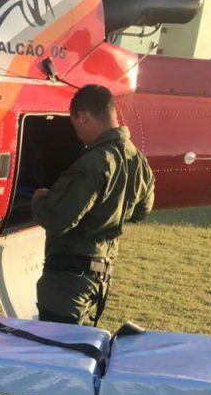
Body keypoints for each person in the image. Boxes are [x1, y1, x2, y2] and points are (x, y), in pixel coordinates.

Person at [32, 84, 155, 326]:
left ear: (84, 117)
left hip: (68, 282)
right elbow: (143, 210)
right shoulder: (138, 159)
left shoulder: (92, 164)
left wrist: (40, 200)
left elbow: (58, 220)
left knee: (56, 346)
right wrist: (107, 214)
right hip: (99, 277)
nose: (77, 133)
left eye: (75, 124)